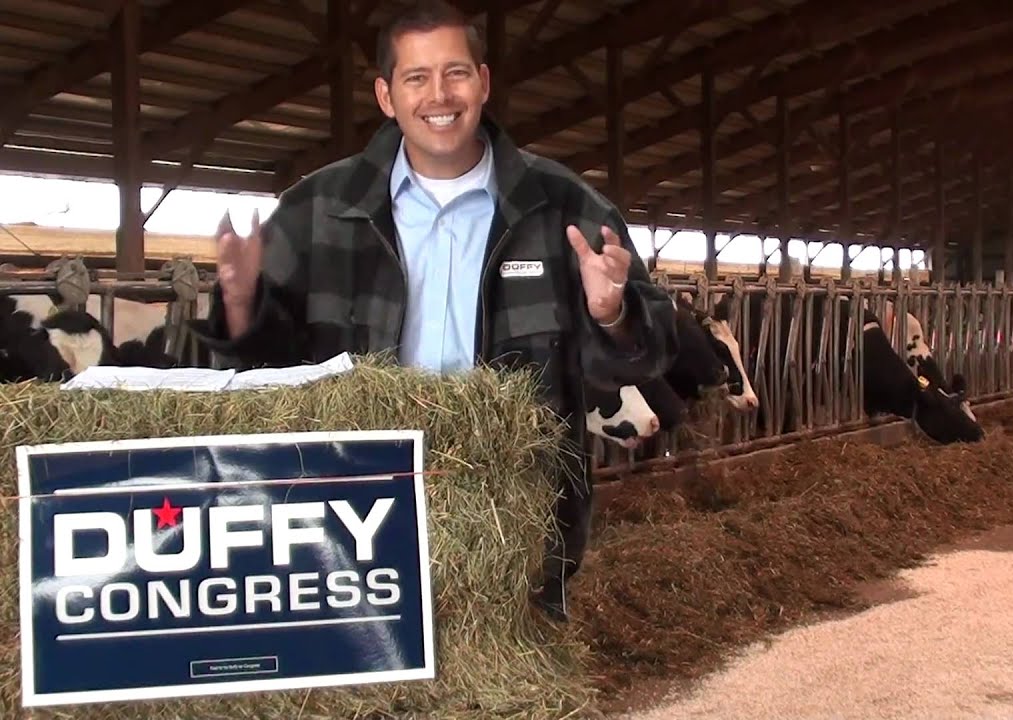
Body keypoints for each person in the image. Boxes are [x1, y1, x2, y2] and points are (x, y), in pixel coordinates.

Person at [188, 0, 680, 622]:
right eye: (416, 77)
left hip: (518, 527)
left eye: (455, 73)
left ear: (484, 81)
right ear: (386, 96)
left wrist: (612, 311)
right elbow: (262, 379)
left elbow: (656, 351)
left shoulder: (562, 207)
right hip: (353, 528)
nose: (438, 95)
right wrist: (239, 304)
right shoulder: (317, 209)